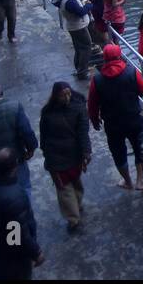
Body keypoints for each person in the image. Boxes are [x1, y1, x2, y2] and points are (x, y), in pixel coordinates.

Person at [88, 44, 143, 191]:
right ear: (119, 56)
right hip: (134, 119)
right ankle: (140, 181)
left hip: (112, 123)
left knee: (118, 152)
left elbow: (92, 104)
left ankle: (127, 181)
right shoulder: (131, 72)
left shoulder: (97, 80)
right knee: (139, 149)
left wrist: (94, 120)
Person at [0, 148, 44, 280]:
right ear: (15, 166)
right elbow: (18, 235)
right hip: (16, 256)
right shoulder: (15, 196)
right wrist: (36, 252)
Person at [39, 81, 92, 234]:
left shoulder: (52, 112)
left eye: (68, 94)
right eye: (63, 95)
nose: (67, 98)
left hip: (69, 155)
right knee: (66, 186)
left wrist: (86, 151)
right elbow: (44, 135)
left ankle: (73, 214)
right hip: (61, 155)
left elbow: (83, 132)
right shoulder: (51, 112)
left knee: (68, 185)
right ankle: (74, 213)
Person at [52, 0, 94, 79]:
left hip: (72, 25)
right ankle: (82, 72)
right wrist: (88, 5)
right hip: (79, 27)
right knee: (86, 47)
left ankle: (78, 68)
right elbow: (80, 12)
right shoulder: (69, 0)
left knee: (78, 48)